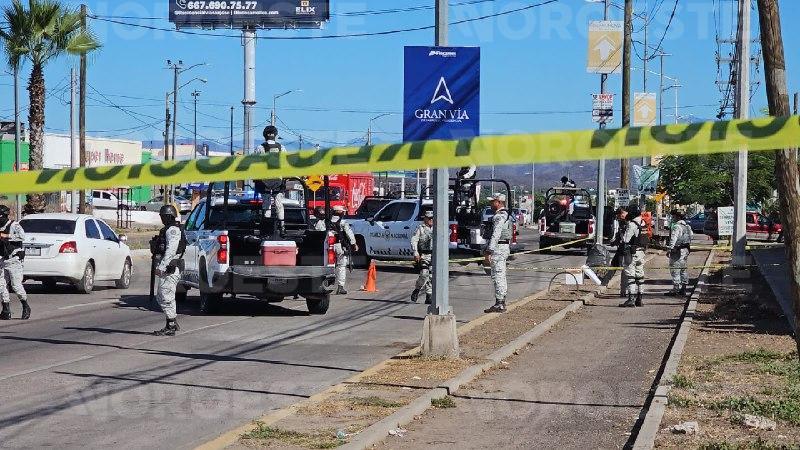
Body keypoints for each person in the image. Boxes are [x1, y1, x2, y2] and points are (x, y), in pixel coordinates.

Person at [151, 205, 187, 336]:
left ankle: (170, 325)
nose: (161, 218)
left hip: (170, 267)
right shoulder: (167, 229)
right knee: (161, 296)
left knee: (166, 296)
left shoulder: (173, 230)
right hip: (167, 268)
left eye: (163, 216)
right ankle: (172, 321)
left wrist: (161, 267)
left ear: (168, 216)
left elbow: (171, 251)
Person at [484, 193, 513, 313]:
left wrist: (489, 250)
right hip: (504, 246)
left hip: (498, 248)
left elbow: (496, 234)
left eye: (492, 201)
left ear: (499, 202)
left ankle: (499, 303)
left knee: (498, 275)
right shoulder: (507, 215)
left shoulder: (499, 217)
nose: (491, 204)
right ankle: (501, 301)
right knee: (501, 274)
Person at [255, 125, 286, 233]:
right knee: (279, 203)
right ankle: (282, 227)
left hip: (265, 180)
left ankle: (267, 227)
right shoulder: (281, 147)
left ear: (264, 135)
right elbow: (285, 162)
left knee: (266, 203)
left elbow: (255, 163)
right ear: (276, 135)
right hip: (278, 179)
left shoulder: (260, 147)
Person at [0, 205, 28, 320]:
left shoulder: (14, 225)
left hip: (14, 260)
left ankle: (25, 306)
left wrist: (6, 236)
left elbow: (22, 236)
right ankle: (6, 310)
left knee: (16, 286)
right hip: (2, 260)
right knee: (1, 285)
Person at [620, 207, 649, 308]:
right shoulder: (643, 223)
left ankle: (631, 299)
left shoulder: (632, 224)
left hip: (632, 253)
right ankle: (640, 298)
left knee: (630, 275)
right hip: (641, 252)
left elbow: (626, 239)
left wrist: (621, 233)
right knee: (640, 275)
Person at [331, 205, 357, 295]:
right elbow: (349, 234)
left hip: (327, 246)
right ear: (339, 212)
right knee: (341, 266)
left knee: (329, 265)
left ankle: (327, 284)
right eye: (343, 211)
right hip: (339, 246)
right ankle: (340, 287)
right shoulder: (343, 222)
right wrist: (354, 244)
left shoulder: (325, 221)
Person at [666, 210, 693, 296]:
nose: (672, 218)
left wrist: (670, 249)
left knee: (675, 269)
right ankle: (684, 288)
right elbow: (691, 236)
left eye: (673, 216)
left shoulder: (677, 226)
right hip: (685, 250)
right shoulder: (687, 226)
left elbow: (673, 238)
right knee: (683, 269)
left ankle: (676, 289)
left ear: (678, 217)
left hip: (677, 250)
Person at [410, 210, 434, 304]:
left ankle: (429, 296)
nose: (431, 220)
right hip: (424, 254)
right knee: (424, 274)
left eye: (432, 218)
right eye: (429, 218)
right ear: (425, 218)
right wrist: (416, 253)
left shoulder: (436, 228)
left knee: (431, 276)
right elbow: (414, 240)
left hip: (434, 255)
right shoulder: (420, 228)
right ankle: (417, 289)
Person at [610, 207, 630, 298]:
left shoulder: (629, 222)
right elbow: (619, 235)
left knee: (625, 271)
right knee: (614, 265)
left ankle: (625, 291)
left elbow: (625, 237)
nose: (617, 218)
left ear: (622, 214)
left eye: (618, 215)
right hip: (622, 249)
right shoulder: (622, 222)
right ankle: (623, 291)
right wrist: (614, 242)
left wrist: (617, 241)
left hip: (627, 250)